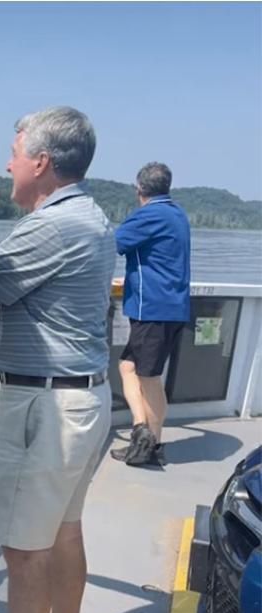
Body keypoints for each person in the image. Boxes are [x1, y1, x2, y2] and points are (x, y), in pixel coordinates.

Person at [0, 107, 115, 613]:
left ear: (40, 162)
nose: (7, 165)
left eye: (13, 154)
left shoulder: (52, 225)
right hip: (81, 398)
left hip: (48, 405)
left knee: (23, 547)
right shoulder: (90, 215)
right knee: (63, 531)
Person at [110, 162, 190, 467]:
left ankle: (151, 446)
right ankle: (142, 431)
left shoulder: (149, 214)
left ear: (139, 189)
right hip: (171, 307)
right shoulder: (177, 214)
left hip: (153, 309)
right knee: (128, 366)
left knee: (148, 377)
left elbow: (110, 244)